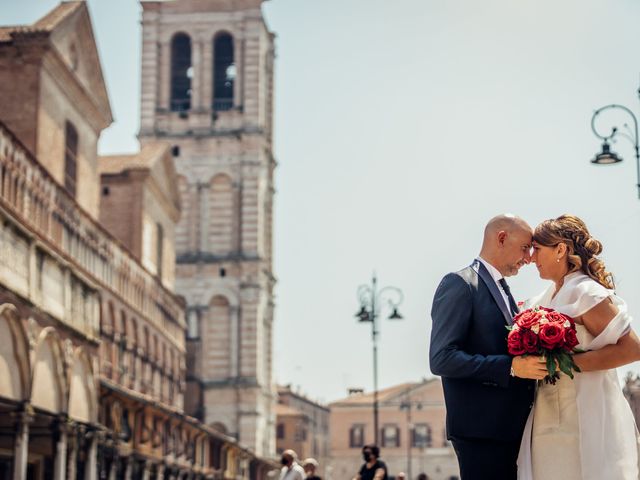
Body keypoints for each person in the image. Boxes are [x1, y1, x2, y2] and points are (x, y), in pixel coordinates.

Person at [516, 214, 640, 480]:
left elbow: (632, 349)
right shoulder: (543, 298)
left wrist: (563, 363)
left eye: (537, 249)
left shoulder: (587, 292)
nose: (531, 258)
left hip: (584, 413)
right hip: (546, 414)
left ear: (560, 249)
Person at [430, 214, 546, 480]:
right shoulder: (459, 284)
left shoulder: (504, 290)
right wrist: (512, 367)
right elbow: (441, 358)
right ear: (502, 238)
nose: (529, 257)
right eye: (525, 247)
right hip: (481, 432)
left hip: (509, 429)